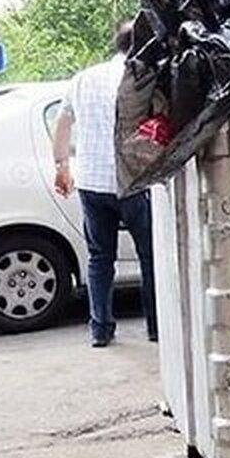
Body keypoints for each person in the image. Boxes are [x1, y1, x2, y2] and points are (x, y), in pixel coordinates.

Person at [53, 23, 159, 347]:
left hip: (92, 182)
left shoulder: (83, 78)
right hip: (133, 181)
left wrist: (61, 166)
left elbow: (63, 123)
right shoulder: (142, 78)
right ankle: (156, 327)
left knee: (100, 258)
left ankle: (100, 328)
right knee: (149, 257)